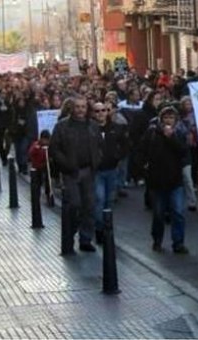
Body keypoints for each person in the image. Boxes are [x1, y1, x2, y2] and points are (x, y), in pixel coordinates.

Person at [49, 96, 103, 254]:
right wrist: (66, 164)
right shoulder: (62, 126)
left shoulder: (93, 126)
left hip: (89, 171)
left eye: (83, 107)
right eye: (77, 107)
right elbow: (54, 148)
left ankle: (85, 239)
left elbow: (100, 145)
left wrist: (97, 160)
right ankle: (69, 236)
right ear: (72, 108)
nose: (80, 110)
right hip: (71, 172)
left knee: (89, 206)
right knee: (74, 205)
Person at [137, 106, 189, 254]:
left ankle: (178, 243)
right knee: (159, 214)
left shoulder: (179, 133)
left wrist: (171, 137)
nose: (168, 121)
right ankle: (157, 240)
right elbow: (141, 150)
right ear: (161, 119)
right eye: (166, 117)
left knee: (178, 212)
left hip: (175, 180)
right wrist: (144, 168)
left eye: (171, 118)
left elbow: (183, 151)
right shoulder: (152, 132)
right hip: (157, 180)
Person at [92, 102, 129, 244]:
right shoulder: (91, 128)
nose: (101, 113)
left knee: (109, 200)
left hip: (112, 169)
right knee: (99, 199)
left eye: (104, 110)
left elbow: (125, 144)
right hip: (97, 171)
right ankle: (100, 229)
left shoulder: (116, 128)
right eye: (97, 111)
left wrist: (117, 156)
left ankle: (107, 228)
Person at [27, 130, 52, 202]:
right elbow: (31, 153)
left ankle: (48, 194)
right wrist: (38, 149)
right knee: (37, 182)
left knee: (48, 179)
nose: (46, 142)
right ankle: (36, 196)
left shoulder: (49, 146)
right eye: (45, 140)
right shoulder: (36, 146)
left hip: (46, 165)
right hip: (37, 167)